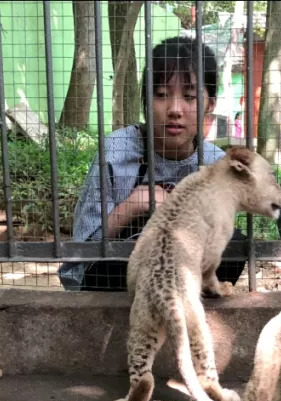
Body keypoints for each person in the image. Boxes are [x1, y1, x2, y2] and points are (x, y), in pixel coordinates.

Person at [60, 37, 246, 291]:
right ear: (146, 102)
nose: (175, 109)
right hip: (121, 285)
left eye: (190, 97)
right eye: (161, 95)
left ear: (209, 105)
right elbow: (80, 256)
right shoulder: (116, 150)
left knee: (234, 244)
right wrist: (133, 205)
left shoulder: (215, 164)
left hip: (187, 282)